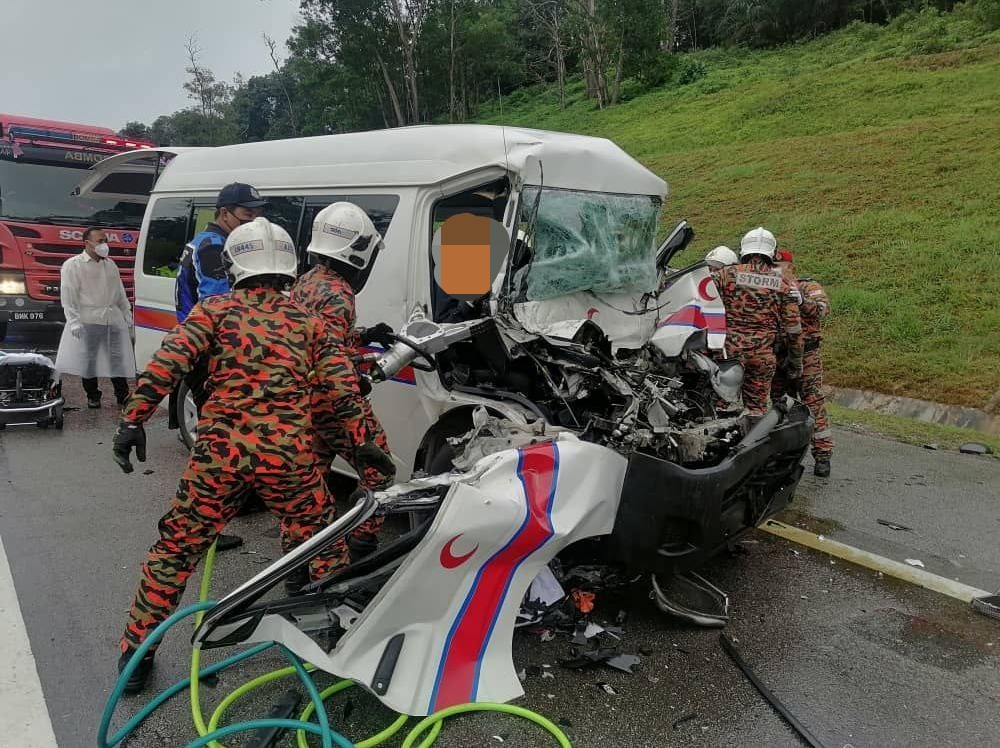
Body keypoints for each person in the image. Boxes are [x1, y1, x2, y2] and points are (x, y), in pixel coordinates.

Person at [112, 217, 393, 695]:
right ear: (288, 269)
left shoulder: (213, 311)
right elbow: (343, 390)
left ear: (234, 264)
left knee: (175, 551)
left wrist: (131, 421)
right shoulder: (310, 325)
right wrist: (364, 445)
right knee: (321, 545)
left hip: (219, 458)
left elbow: (168, 363)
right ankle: (329, 639)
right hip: (289, 459)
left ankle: (136, 657)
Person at [289, 202, 396, 576]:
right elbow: (331, 362)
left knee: (309, 483)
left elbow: (318, 337)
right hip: (332, 403)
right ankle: (360, 549)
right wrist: (359, 377)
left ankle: (297, 568)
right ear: (358, 252)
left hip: (303, 402)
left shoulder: (307, 280)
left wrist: (364, 336)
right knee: (380, 473)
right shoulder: (339, 293)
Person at [174, 182, 270, 552]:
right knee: (216, 445)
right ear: (225, 212)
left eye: (258, 214)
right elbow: (221, 305)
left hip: (206, 351)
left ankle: (236, 502)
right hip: (208, 355)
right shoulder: (213, 247)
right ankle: (199, 531)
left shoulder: (211, 241)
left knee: (228, 438)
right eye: (247, 214)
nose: (253, 221)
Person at [710, 227, 803, 420]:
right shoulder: (784, 283)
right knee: (756, 412)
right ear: (772, 252)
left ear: (743, 249)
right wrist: (795, 362)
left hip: (728, 355)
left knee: (716, 408)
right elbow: (793, 329)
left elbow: (706, 307)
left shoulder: (724, 275)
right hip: (762, 356)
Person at [55, 227, 136, 408]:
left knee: (117, 357)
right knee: (89, 359)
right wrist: (74, 321)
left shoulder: (110, 264)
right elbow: (69, 296)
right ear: (87, 243)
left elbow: (120, 291)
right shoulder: (73, 265)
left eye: (105, 240)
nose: (104, 245)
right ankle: (93, 395)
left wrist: (126, 312)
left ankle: (122, 394)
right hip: (88, 319)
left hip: (112, 318)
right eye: (100, 241)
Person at [772, 248, 834, 477]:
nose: (775, 269)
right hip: (779, 356)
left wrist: (803, 301)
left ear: (790, 266)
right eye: (772, 265)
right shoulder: (770, 288)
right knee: (780, 405)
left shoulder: (807, 286)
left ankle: (823, 456)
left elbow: (822, 309)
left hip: (806, 355)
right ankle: (783, 455)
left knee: (813, 401)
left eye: (780, 265)